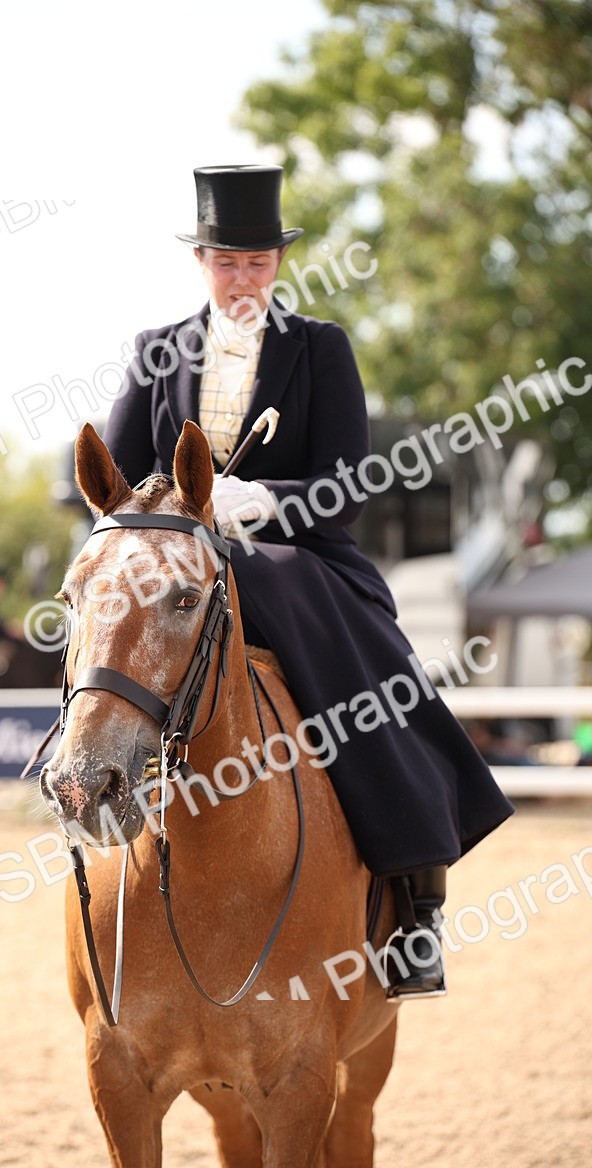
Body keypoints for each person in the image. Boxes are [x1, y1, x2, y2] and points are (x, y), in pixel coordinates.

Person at [103, 164, 515, 999]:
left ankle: (415, 893)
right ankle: (90, 776)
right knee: (105, 614)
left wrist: (263, 501)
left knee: (349, 651)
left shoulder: (319, 346)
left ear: (279, 264)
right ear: (202, 262)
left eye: (257, 262)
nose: (243, 277)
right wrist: (174, 513)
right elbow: (115, 473)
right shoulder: (155, 351)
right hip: (179, 551)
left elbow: (350, 489)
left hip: (297, 550)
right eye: (227, 260)